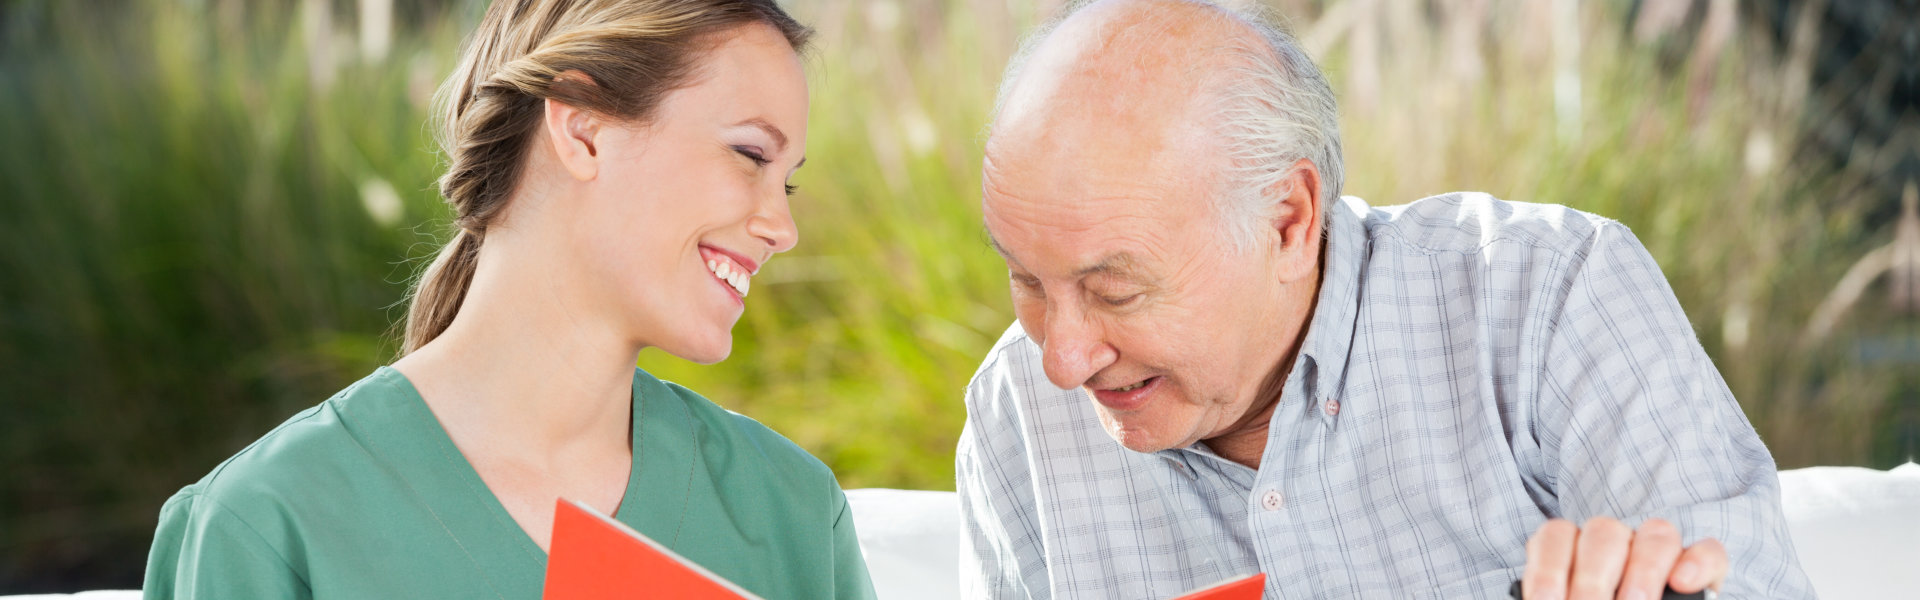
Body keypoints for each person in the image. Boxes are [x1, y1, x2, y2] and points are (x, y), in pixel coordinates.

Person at [954, 1, 1812, 598]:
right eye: (1026, 279)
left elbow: (1749, 585)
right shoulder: (1014, 412)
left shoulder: (1549, 296)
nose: (1062, 360)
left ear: (1288, 220)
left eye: (1116, 290)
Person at [142, 1, 875, 598]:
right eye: (750, 155)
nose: (783, 228)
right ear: (583, 130)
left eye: (789, 180)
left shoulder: (790, 513)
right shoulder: (267, 528)